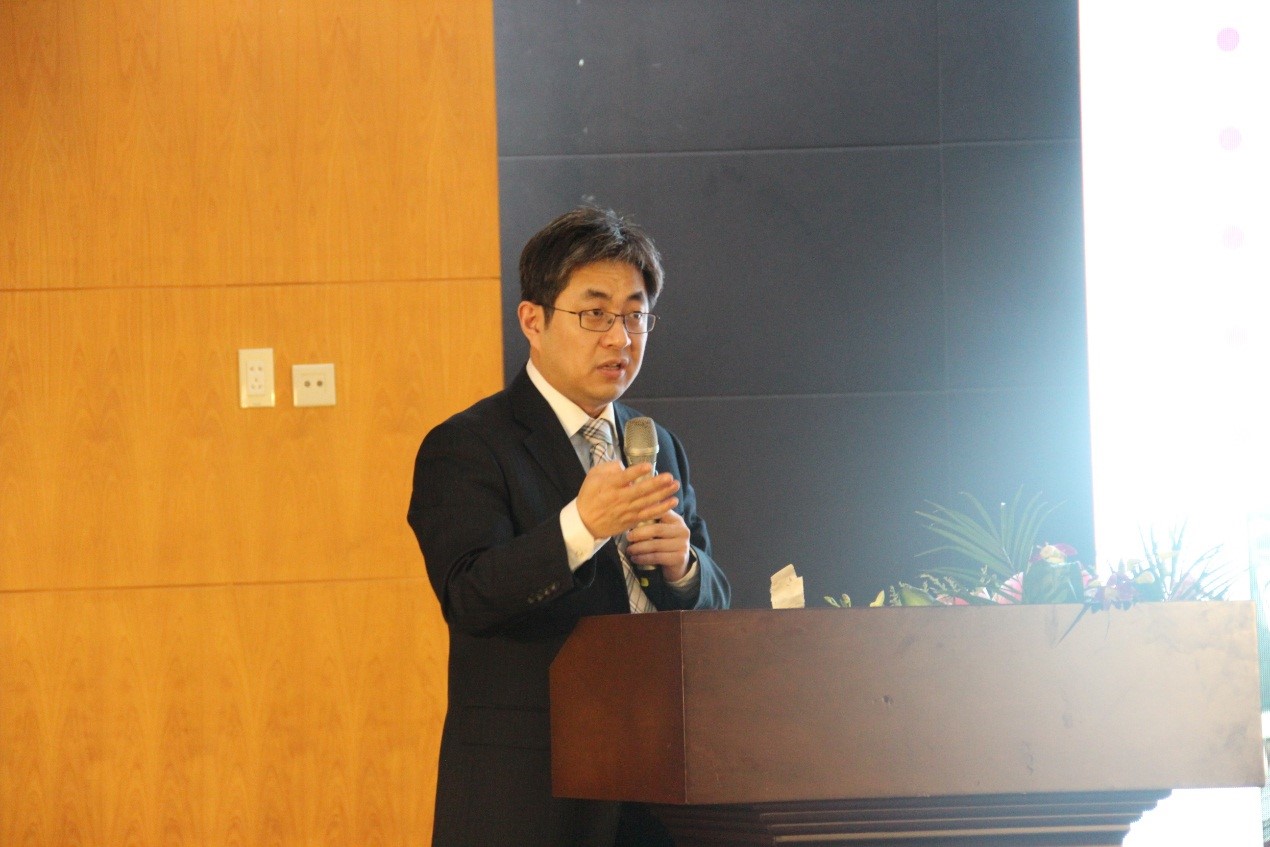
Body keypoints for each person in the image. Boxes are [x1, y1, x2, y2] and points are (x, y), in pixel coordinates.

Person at [408, 206, 730, 847]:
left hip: (658, 784)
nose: (620, 338)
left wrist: (685, 569)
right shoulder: (468, 445)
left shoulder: (656, 441)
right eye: (595, 314)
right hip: (532, 792)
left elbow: (713, 603)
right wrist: (580, 528)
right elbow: (469, 595)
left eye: (635, 315)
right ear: (533, 320)